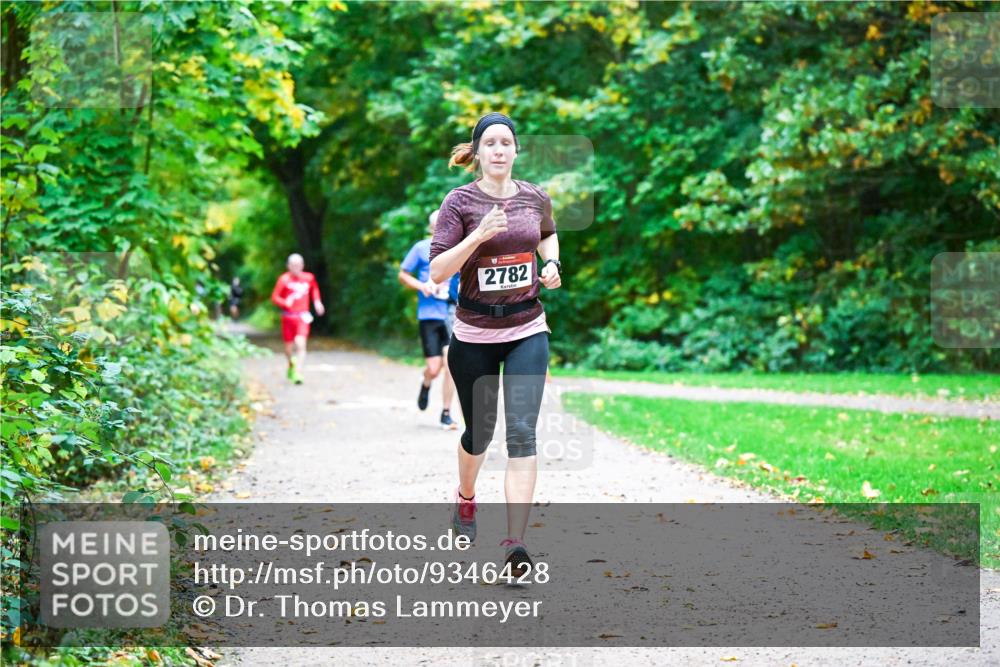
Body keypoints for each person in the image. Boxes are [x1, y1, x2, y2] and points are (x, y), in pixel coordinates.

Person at [429, 112, 562, 576]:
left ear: (516, 150)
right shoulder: (459, 202)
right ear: (478, 153)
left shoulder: (534, 197)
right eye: (490, 143)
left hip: (527, 327)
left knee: (522, 433)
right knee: (478, 434)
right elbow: (439, 271)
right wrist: (478, 237)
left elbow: (547, 234)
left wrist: (553, 265)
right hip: (473, 334)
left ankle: (514, 544)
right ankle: (466, 499)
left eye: (506, 142)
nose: (499, 150)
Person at [398, 210, 461, 430]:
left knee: (451, 364)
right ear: (432, 227)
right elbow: (403, 274)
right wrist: (422, 286)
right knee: (434, 369)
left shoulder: (457, 248)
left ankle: (446, 413)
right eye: (438, 225)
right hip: (429, 315)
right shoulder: (421, 248)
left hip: (452, 313)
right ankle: (426, 383)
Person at [270, 253, 325, 384]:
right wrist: (285, 303)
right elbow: (274, 297)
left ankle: (298, 372)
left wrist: (317, 302)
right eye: (293, 265)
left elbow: (315, 290)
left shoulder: (308, 278)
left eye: (299, 265)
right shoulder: (283, 280)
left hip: (302, 317)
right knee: (288, 349)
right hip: (288, 318)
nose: (296, 267)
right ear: (288, 266)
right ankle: (290, 365)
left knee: (301, 343)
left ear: (302, 265)